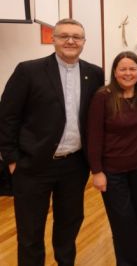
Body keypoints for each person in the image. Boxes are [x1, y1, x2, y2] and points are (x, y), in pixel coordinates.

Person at [0, 18, 104, 266]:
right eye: (64, 36)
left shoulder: (94, 73)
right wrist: (13, 160)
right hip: (32, 166)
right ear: (53, 39)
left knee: (69, 225)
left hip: (74, 167)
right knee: (30, 232)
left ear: (84, 42)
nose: (70, 41)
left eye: (76, 37)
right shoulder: (28, 70)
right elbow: (7, 116)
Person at [87, 51, 137, 265]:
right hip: (113, 172)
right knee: (123, 223)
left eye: (132, 69)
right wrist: (97, 171)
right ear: (114, 72)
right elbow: (94, 136)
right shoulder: (103, 97)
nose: (128, 73)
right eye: (123, 69)